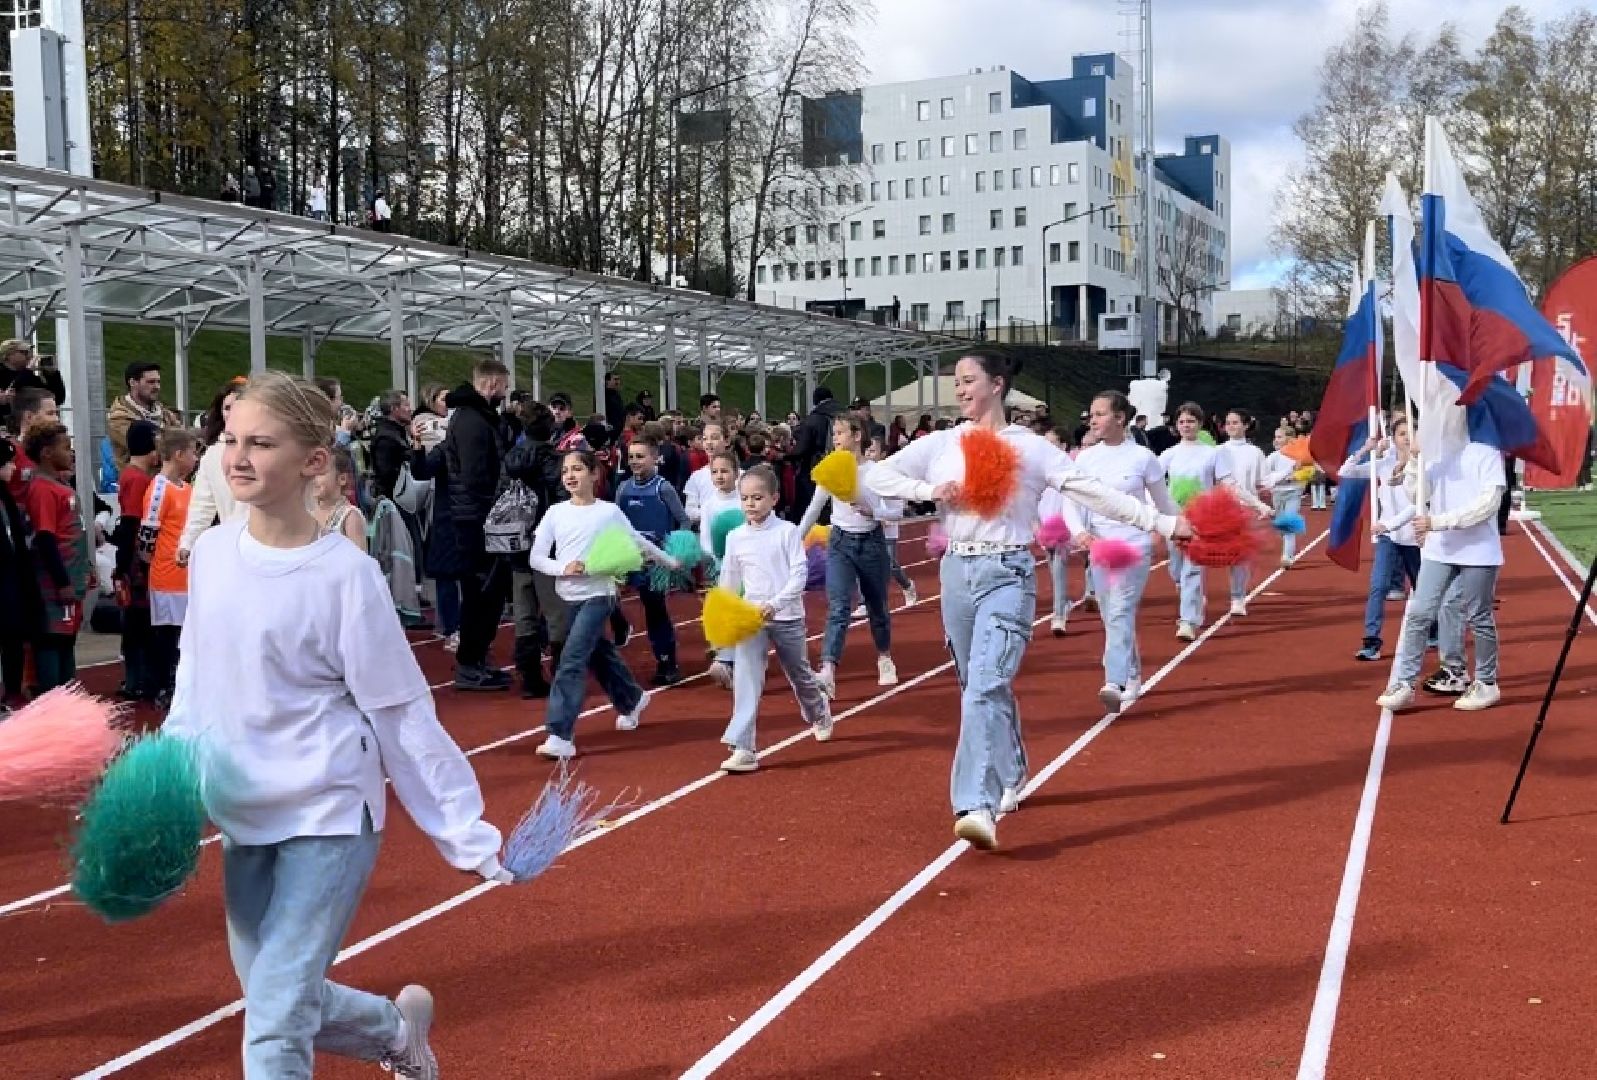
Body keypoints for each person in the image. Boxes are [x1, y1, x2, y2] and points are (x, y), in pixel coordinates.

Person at [162, 370, 505, 1078]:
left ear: (314, 461)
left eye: (262, 442)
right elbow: (196, 673)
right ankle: (391, 1031)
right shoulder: (217, 555)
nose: (238, 458)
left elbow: (399, 709)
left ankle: (382, 1034)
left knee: (273, 1025)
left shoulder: (346, 576)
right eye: (231, 440)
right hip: (242, 808)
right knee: (271, 992)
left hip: (327, 811)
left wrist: (461, 830)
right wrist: (170, 774)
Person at [867, 350, 1190, 851]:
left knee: (985, 685)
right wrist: (929, 489)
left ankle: (975, 803)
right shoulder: (943, 444)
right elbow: (876, 476)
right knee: (976, 684)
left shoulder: (1033, 449)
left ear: (997, 385)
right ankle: (1013, 765)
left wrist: (1162, 522)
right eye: (956, 383)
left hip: (1009, 572)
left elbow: (1092, 492)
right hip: (956, 572)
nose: (959, 390)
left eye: (968, 381)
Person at [529, 450, 677, 760]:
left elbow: (637, 541)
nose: (570, 475)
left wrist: (670, 562)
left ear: (595, 474)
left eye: (578, 469)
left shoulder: (608, 512)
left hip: (600, 593)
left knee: (571, 659)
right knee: (599, 654)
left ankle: (560, 734)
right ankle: (631, 699)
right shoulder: (555, 512)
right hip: (567, 594)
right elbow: (537, 556)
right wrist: (562, 568)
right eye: (566, 470)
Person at [1063, 390, 1179, 714]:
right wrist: (1080, 532)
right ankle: (1132, 674)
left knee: (1120, 611)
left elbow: (1163, 502)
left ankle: (1113, 681)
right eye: (1092, 414)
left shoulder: (1143, 457)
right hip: (1100, 546)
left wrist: (1165, 531)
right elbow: (1071, 500)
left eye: (1100, 413)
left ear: (1120, 417)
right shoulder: (1085, 458)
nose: (1093, 419)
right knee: (1109, 612)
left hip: (1135, 544)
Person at [717, 464, 833, 772]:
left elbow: (799, 574)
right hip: (750, 618)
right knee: (747, 680)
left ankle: (818, 710)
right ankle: (744, 747)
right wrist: (724, 617)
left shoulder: (787, 532)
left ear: (774, 498)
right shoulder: (735, 537)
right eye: (745, 498)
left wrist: (776, 604)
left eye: (757, 497)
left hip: (787, 617)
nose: (750, 504)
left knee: (800, 674)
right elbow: (728, 579)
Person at [1377, 437, 1507, 713]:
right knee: (1420, 612)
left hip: (1478, 550)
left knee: (1478, 615)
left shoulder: (1487, 452)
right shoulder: (1434, 451)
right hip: (1440, 549)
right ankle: (1404, 682)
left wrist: (1439, 522)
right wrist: (1414, 462)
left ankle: (1486, 682)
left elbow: (1489, 503)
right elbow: (1417, 496)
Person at [798, 413, 898, 694]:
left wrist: (874, 511)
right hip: (840, 542)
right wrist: (792, 541)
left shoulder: (876, 471)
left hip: (872, 543)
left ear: (857, 436)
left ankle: (884, 656)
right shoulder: (830, 469)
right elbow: (813, 510)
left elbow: (896, 511)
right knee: (839, 605)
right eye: (834, 434)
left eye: (841, 433)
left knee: (877, 606)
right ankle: (828, 669)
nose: (836, 439)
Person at [443, 360, 513, 691]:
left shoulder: (474, 418)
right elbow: (474, 475)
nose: (505, 394)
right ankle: (470, 663)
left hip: (476, 515)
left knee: (487, 594)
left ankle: (476, 658)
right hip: (477, 520)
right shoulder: (472, 421)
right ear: (491, 384)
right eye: (503, 387)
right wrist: (495, 510)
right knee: (481, 593)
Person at [21, 423, 92, 692]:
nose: (71, 452)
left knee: (67, 639)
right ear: (47, 453)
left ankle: (68, 694)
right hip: (53, 585)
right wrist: (61, 581)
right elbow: (46, 538)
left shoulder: (59, 484)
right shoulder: (42, 488)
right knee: (53, 641)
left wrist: (85, 567)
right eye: (66, 447)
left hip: (71, 578)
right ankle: (52, 697)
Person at [615, 434, 690, 685]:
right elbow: (614, 522)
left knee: (655, 609)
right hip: (627, 558)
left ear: (655, 458)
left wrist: (676, 550)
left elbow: (684, 520)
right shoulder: (623, 488)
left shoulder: (663, 488)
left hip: (655, 562)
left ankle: (667, 661)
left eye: (640, 456)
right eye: (631, 457)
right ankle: (620, 628)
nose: (635, 461)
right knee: (606, 601)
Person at [140, 427, 200, 706]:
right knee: (167, 638)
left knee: (185, 639)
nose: (196, 458)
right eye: (192, 452)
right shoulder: (159, 488)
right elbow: (147, 536)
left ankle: (180, 687)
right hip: (167, 578)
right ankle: (164, 688)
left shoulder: (187, 488)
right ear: (178, 455)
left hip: (188, 578)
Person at [1216, 408, 1274, 614]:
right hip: (1220, 509)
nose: (1231, 426)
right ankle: (1192, 593)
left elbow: (1264, 482)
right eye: (1228, 423)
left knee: (1239, 556)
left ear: (1246, 425)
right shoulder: (1218, 451)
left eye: (1235, 423)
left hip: (1246, 510)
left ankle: (1237, 597)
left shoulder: (1255, 453)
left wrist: (1266, 499)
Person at [0, 436, 42, 711]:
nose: (14, 469)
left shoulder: (6, 498)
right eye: (8, 464)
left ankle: (12, 691)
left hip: (11, 581)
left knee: (13, 639)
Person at [106, 361, 180, 469]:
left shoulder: (164, 412)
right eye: (151, 382)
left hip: (165, 480)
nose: (157, 387)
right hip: (138, 481)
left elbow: (183, 438)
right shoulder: (119, 417)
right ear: (132, 382)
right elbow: (146, 447)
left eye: (158, 382)